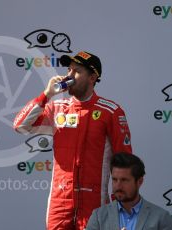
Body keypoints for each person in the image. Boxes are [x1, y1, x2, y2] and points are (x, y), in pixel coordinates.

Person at [13, 51, 133, 230]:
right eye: (68, 70)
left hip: (94, 205)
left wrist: (122, 208)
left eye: (76, 71)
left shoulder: (111, 112)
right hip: (59, 204)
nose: (69, 75)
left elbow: (124, 162)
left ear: (92, 77)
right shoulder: (57, 108)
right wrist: (46, 94)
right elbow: (20, 126)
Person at [86, 153, 172, 230]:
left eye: (124, 180)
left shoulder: (161, 217)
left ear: (139, 181)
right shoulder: (98, 217)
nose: (118, 185)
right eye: (115, 179)